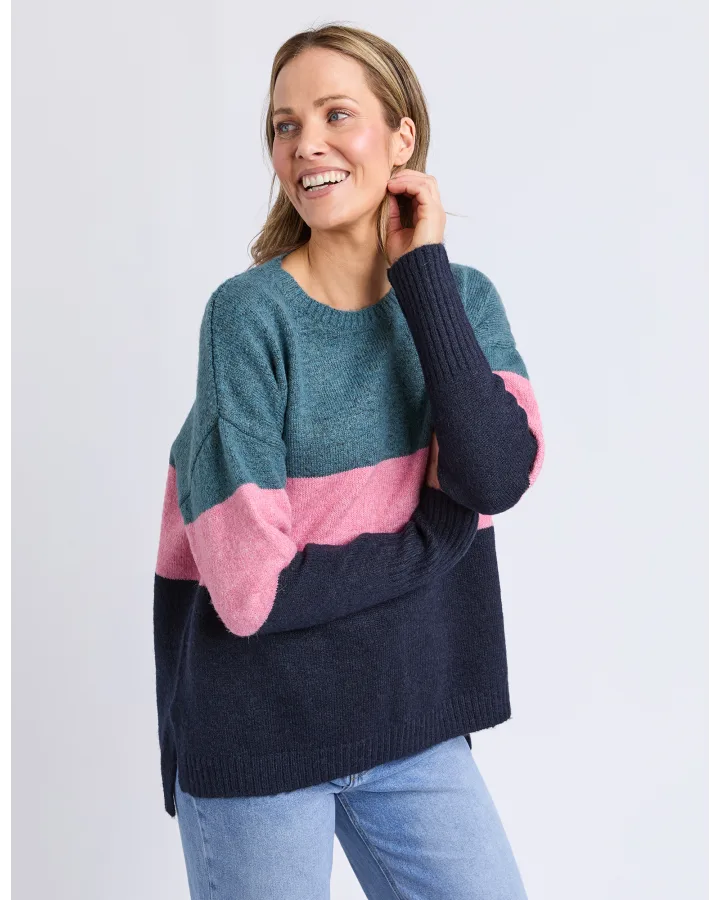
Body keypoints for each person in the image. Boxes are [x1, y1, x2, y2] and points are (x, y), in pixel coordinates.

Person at [153, 23, 544, 900]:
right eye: (285, 125)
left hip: (411, 720)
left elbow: (496, 477)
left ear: (402, 137)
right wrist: (433, 538)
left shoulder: (462, 300)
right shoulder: (248, 317)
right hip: (261, 734)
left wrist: (424, 276)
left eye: (337, 115)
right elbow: (251, 593)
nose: (307, 145)